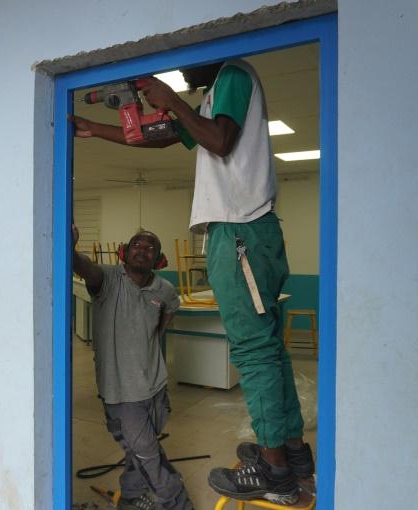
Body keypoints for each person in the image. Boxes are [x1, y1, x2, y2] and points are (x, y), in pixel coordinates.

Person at [69, 60, 313, 506]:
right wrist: (95, 128)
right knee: (269, 349)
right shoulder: (211, 98)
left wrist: (173, 102)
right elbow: (157, 137)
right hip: (246, 230)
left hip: (238, 229)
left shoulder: (234, 76)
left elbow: (220, 141)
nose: (184, 65)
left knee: (254, 353)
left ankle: (275, 473)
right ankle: (292, 455)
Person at [72, 225, 193, 510]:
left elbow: (164, 319)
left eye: (150, 247)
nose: (142, 249)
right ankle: (178, 503)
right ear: (125, 252)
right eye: (136, 244)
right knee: (148, 455)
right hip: (121, 392)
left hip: (156, 386)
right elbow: (86, 268)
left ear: (159, 260)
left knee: (136, 451)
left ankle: (131, 497)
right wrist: (70, 250)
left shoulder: (164, 289)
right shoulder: (107, 279)